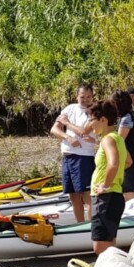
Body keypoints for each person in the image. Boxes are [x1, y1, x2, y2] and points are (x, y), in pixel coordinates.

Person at [50, 84, 97, 222]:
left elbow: (83, 131)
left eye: (89, 97)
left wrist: (68, 124)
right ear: (77, 96)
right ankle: (80, 224)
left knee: (86, 194)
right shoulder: (70, 108)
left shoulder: (94, 111)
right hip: (67, 156)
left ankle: (90, 226)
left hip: (84, 156)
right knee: (73, 195)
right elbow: (55, 129)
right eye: (83, 97)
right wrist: (68, 137)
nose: (86, 100)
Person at [87, 100, 128, 254]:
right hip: (113, 197)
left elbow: (114, 162)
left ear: (103, 120)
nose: (90, 124)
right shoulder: (117, 138)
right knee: (109, 246)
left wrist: (105, 184)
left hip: (106, 197)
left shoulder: (108, 139)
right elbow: (128, 161)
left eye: (92, 120)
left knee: (100, 248)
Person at [111, 89, 134, 200]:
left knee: (128, 195)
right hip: (130, 157)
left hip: (130, 159)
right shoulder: (125, 118)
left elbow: (119, 141)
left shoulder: (126, 119)